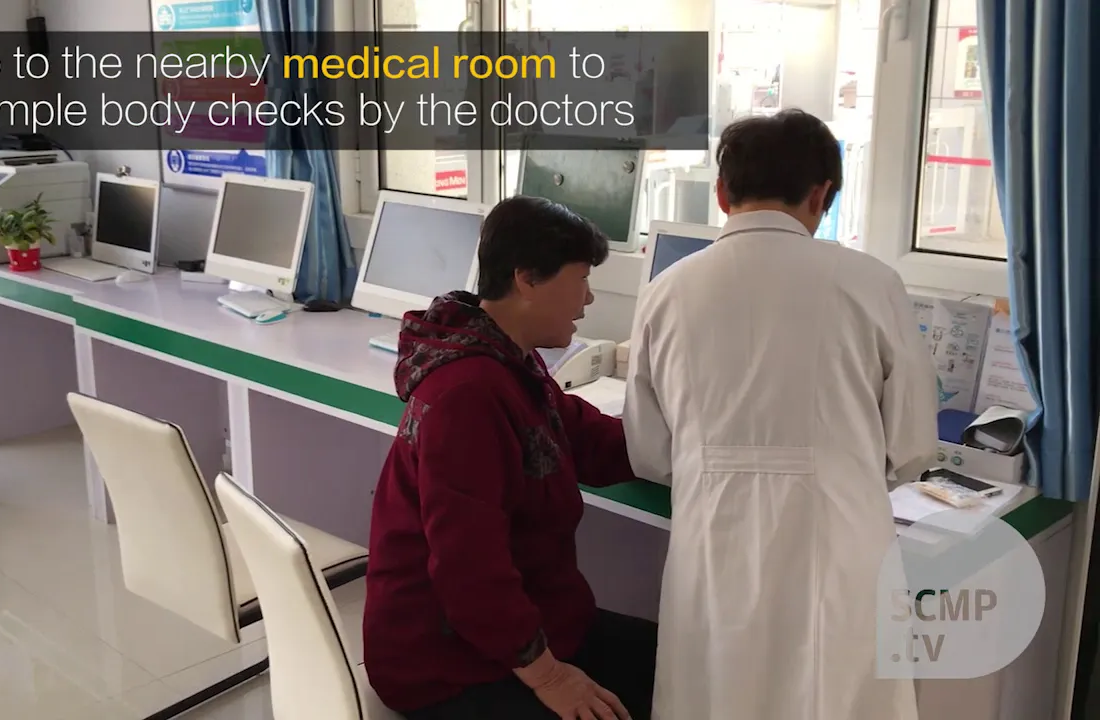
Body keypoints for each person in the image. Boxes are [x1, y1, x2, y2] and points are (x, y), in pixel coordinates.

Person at [624, 108, 937, 720]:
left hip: (712, 543)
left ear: (722, 193)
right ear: (821, 195)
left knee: (714, 694)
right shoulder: (872, 283)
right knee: (837, 698)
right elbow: (913, 447)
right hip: (842, 546)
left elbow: (651, 453)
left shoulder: (666, 291)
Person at [363, 195, 659, 720]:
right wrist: (551, 678)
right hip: (446, 662)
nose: (589, 298)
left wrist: (692, 442)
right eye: (581, 279)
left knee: (678, 666)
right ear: (527, 279)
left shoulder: (509, 360)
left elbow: (591, 442)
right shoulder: (467, 395)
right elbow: (468, 572)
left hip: (530, 621)